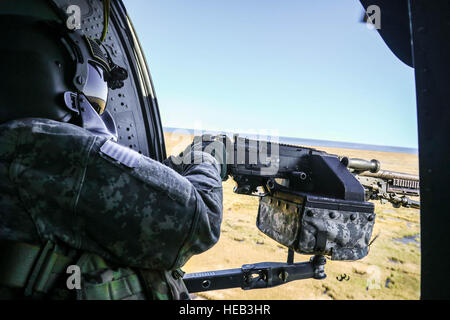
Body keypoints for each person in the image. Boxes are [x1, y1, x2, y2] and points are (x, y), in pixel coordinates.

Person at [0, 4, 224, 300]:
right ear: (41, 73)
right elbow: (197, 222)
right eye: (93, 89)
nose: (98, 111)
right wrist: (205, 156)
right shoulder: (34, 143)